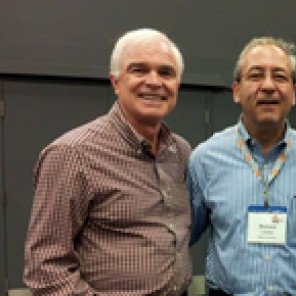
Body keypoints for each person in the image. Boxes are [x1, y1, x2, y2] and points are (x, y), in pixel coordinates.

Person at [24, 28, 192, 295]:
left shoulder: (180, 152)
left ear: (177, 85)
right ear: (115, 82)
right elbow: (46, 267)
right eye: (138, 70)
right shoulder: (73, 154)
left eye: (166, 73)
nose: (154, 81)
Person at [187, 37, 296, 295]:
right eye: (256, 75)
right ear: (237, 91)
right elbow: (184, 236)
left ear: (294, 93)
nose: (268, 86)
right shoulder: (205, 159)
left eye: (280, 77)